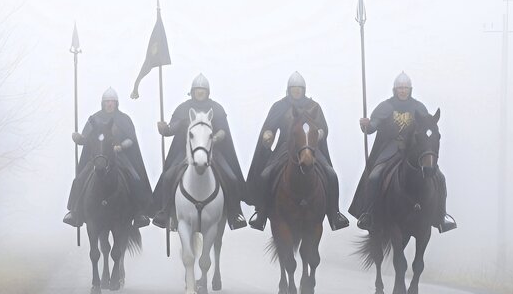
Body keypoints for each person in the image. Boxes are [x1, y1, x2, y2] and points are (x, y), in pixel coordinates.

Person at [349, 71, 457, 232]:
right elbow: (373, 127)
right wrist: (366, 125)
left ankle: (441, 216)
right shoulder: (386, 106)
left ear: (410, 89)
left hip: (414, 150)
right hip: (390, 147)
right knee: (374, 176)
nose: (403, 90)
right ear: (395, 89)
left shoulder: (418, 107)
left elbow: (428, 127)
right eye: (400, 88)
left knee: (439, 177)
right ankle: (369, 214)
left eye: (406, 87)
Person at [245, 71, 350, 232]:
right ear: (288, 89)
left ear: (304, 89)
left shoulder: (313, 107)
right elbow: (269, 127)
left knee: (331, 174)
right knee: (266, 174)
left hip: (309, 146)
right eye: (293, 88)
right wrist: (268, 134)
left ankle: (334, 214)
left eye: (299, 88)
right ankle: (262, 213)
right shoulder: (279, 106)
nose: (296, 91)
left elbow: (323, 128)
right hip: (284, 147)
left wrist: (317, 135)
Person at [151, 73, 248, 230]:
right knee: (168, 176)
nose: (200, 93)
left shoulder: (216, 108)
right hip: (186, 153)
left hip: (212, 152)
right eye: (197, 90)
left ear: (208, 92)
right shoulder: (184, 108)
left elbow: (223, 130)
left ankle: (235, 214)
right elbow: (173, 128)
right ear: (192, 91)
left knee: (231, 177)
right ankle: (165, 212)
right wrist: (164, 129)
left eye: (203, 90)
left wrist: (214, 139)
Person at [63, 87, 153, 228]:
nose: (109, 104)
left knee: (135, 178)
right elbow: (86, 139)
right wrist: (78, 138)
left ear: (116, 103)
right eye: (107, 101)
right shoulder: (95, 119)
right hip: (98, 158)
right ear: (102, 103)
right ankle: (75, 211)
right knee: (80, 178)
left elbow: (131, 139)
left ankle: (138, 213)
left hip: (119, 157)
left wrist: (121, 146)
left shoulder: (124, 119)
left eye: (112, 101)